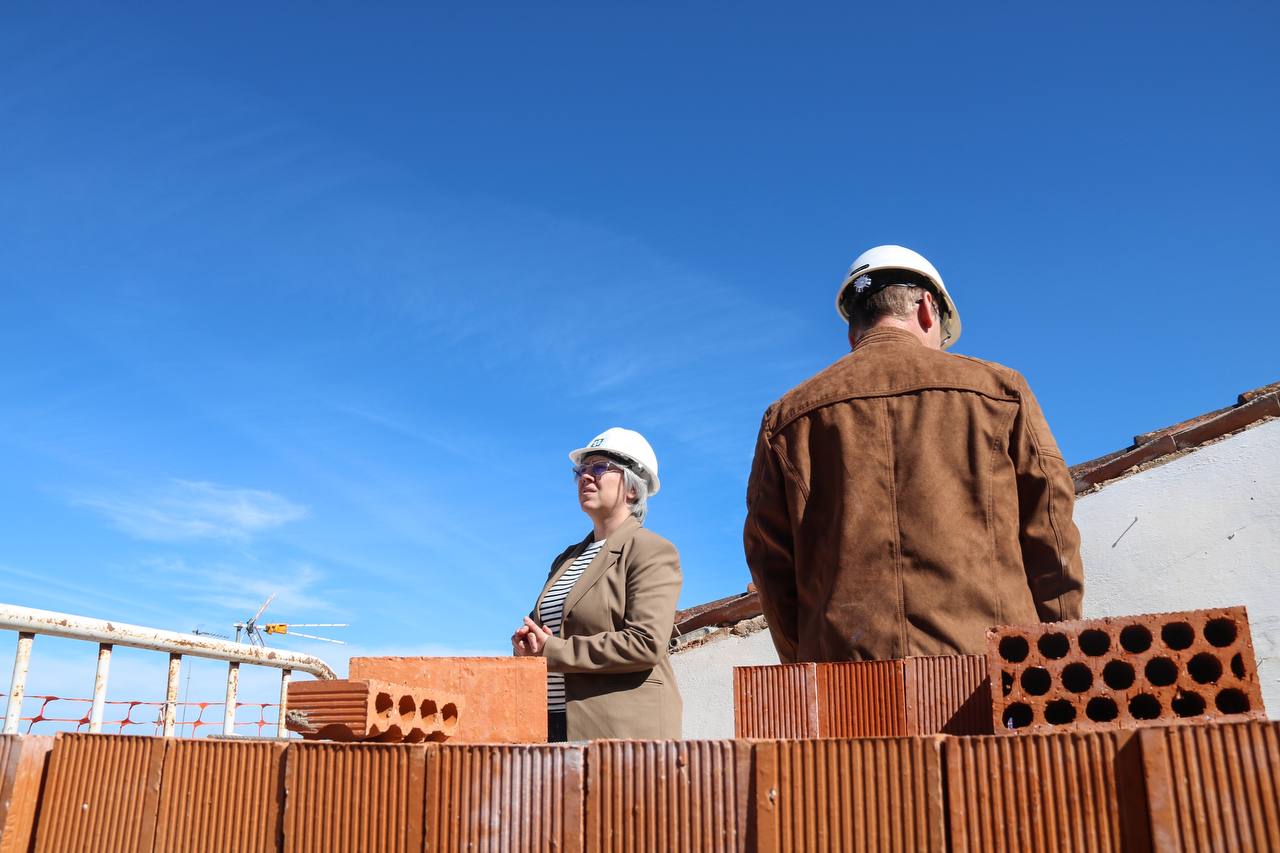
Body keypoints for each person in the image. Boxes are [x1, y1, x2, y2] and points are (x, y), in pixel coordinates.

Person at [744, 244, 1084, 664]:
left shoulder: (787, 418)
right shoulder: (1000, 391)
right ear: (927, 308)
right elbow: (1051, 530)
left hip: (847, 684)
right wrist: (1055, 652)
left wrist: (809, 662)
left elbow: (770, 565)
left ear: (853, 331)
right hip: (991, 671)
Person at [512, 427, 683, 741]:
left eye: (600, 468)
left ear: (633, 488)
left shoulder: (651, 550)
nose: (585, 477)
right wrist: (527, 644)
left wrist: (553, 650)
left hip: (620, 734)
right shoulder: (565, 559)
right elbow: (546, 636)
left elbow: (645, 643)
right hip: (551, 725)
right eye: (581, 470)